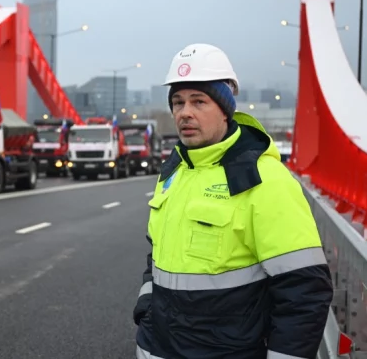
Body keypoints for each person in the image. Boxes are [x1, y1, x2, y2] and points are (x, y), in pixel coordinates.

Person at [133, 44, 333, 359]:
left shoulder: (264, 179)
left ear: (225, 109)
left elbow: (305, 291)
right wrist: (146, 310)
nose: (185, 112)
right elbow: (156, 256)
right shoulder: (175, 171)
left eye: (199, 101)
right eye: (178, 102)